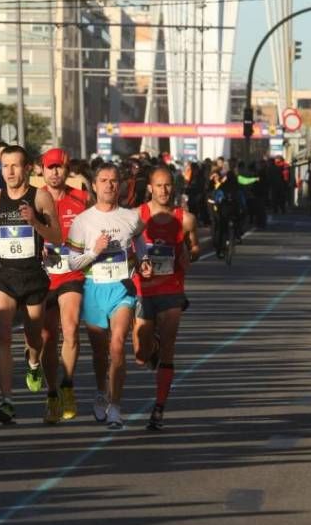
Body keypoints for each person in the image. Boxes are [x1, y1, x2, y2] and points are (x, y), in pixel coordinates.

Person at [0, 145, 61, 425]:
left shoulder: (41, 197)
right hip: (4, 276)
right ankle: (7, 401)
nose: (9, 172)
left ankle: (33, 362)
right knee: (4, 335)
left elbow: (56, 236)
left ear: (27, 168)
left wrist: (34, 222)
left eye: (15, 166)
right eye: (5, 166)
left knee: (36, 338)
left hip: (33, 276)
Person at [67, 163, 145, 430]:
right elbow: (72, 263)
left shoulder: (130, 216)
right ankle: (101, 392)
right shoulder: (82, 221)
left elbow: (140, 240)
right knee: (100, 353)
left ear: (120, 184)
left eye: (113, 180)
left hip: (121, 287)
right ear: (94, 185)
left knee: (117, 345)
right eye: (104, 180)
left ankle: (115, 406)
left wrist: (142, 260)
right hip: (93, 288)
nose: (109, 185)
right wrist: (94, 252)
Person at [132, 165, 199, 430]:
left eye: (168, 185)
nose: (164, 190)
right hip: (143, 289)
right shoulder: (138, 216)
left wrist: (189, 252)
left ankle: (159, 408)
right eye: (158, 185)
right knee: (140, 352)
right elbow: (126, 246)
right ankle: (153, 349)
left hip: (172, 289)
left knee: (170, 345)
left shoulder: (185, 218)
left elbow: (194, 246)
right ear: (150, 187)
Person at [39, 148, 90, 423]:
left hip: (71, 274)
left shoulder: (81, 199)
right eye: (50, 167)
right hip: (44, 278)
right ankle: (52, 393)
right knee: (47, 338)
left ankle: (68, 385)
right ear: (42, 171)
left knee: (69, 328)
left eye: (59, 167)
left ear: (67, 169)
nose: (55, 172)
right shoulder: (35, 201)